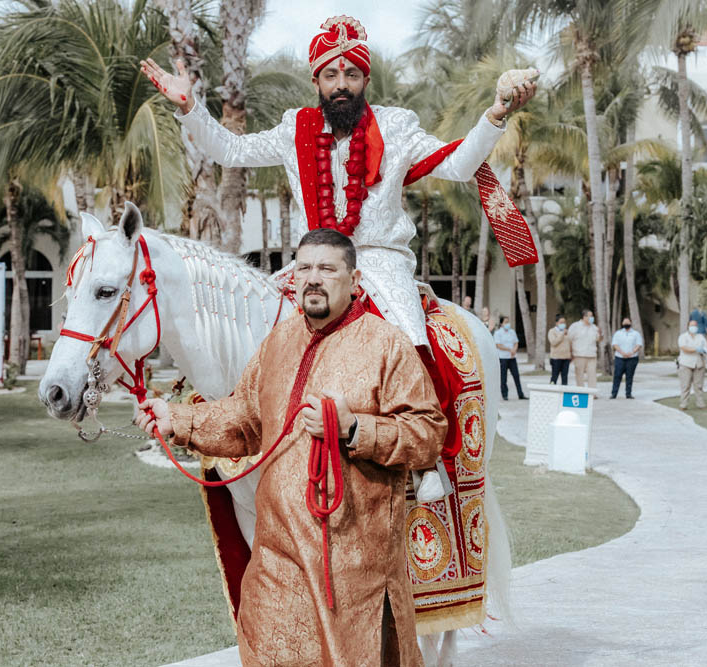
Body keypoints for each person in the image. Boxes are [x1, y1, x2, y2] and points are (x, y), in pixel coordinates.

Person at [136, 230, 445, 665]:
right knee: (266, 651)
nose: (313, 279)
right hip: (278, 554)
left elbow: (427, 434)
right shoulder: (278, 342)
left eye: (327, 269)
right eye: (304, 268)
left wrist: (354, 428)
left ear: (354, 280)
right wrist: (178, 420)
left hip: (352, 564)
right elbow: (245, 418)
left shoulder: (386, 344)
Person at [139, 16, 536, 352]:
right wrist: (190, 107)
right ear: (318, 82)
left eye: (351, 74)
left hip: (381, 262)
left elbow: (459, 165)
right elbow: (231, 151)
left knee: (411, 347)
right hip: (311, 264)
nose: (341, 83)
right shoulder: (296, 128)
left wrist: (495, 116)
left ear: (365, 79)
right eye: (331, 75)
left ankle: (419, 432)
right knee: (256, 347)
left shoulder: (396, 126)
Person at [677, 319, 707, 410]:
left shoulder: (701, 337)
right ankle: (683, 404)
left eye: (695, 325)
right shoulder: (683, 337)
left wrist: (703, 351)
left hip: (699, 363)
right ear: (688, 327)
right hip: (686, 364)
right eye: (691, 325)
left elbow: (706, 348)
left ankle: (700, 404)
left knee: (698, 385)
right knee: (685, 385)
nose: (693, 327)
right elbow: (684, 348)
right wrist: (696, 349)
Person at [493, 316, 526, 400]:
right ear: (501, 324)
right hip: (503, 358)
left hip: (512, 357)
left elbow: (516, 342)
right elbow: (498, 345)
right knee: (503, 377)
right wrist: (509, 350)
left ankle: (520, 394)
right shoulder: (498, 333)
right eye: (505, 322)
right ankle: (505, 395)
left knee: (516, 376)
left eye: (508, 322)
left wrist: (514, 350)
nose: (507, 324)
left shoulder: (512, 332)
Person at [611, 317, 644, 399]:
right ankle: (614, 394)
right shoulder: (618, 333)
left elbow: (638, 344)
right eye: (625, 322)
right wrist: (622, 353)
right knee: (617, 376)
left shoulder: (636, 334)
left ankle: (628, 394)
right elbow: (615, 344)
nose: (626, 324)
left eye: (628, 322)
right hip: (619, 358)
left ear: (630, 323)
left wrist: (632, 352)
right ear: (622, 324)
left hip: (632, 358)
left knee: (629, 376)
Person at [568, 309, 601, 387]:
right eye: (590, 316)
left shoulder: (594, 327)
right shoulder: (575, 326)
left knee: (592, 375)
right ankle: (581, 392)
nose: (592, 317)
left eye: (592, 316)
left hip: (592, 355)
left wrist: (601, 334)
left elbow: (598, 339)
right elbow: (569, 340)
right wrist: (570, 353)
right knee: (579, 375)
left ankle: (592, 393)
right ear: (584, 317)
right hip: (579, 355)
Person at [548, 314, 570, 385]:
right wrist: (562, 334)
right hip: (556, 358)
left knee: (565, 377)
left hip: (566, 358)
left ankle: (564, 393)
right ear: (556, 323)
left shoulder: (567, 332)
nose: (563, 324)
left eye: (564, 322)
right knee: (554, 377)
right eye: (561, 322)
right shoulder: (552, 331)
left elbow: (570, 343)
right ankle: (551, 391)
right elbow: (553, 342)